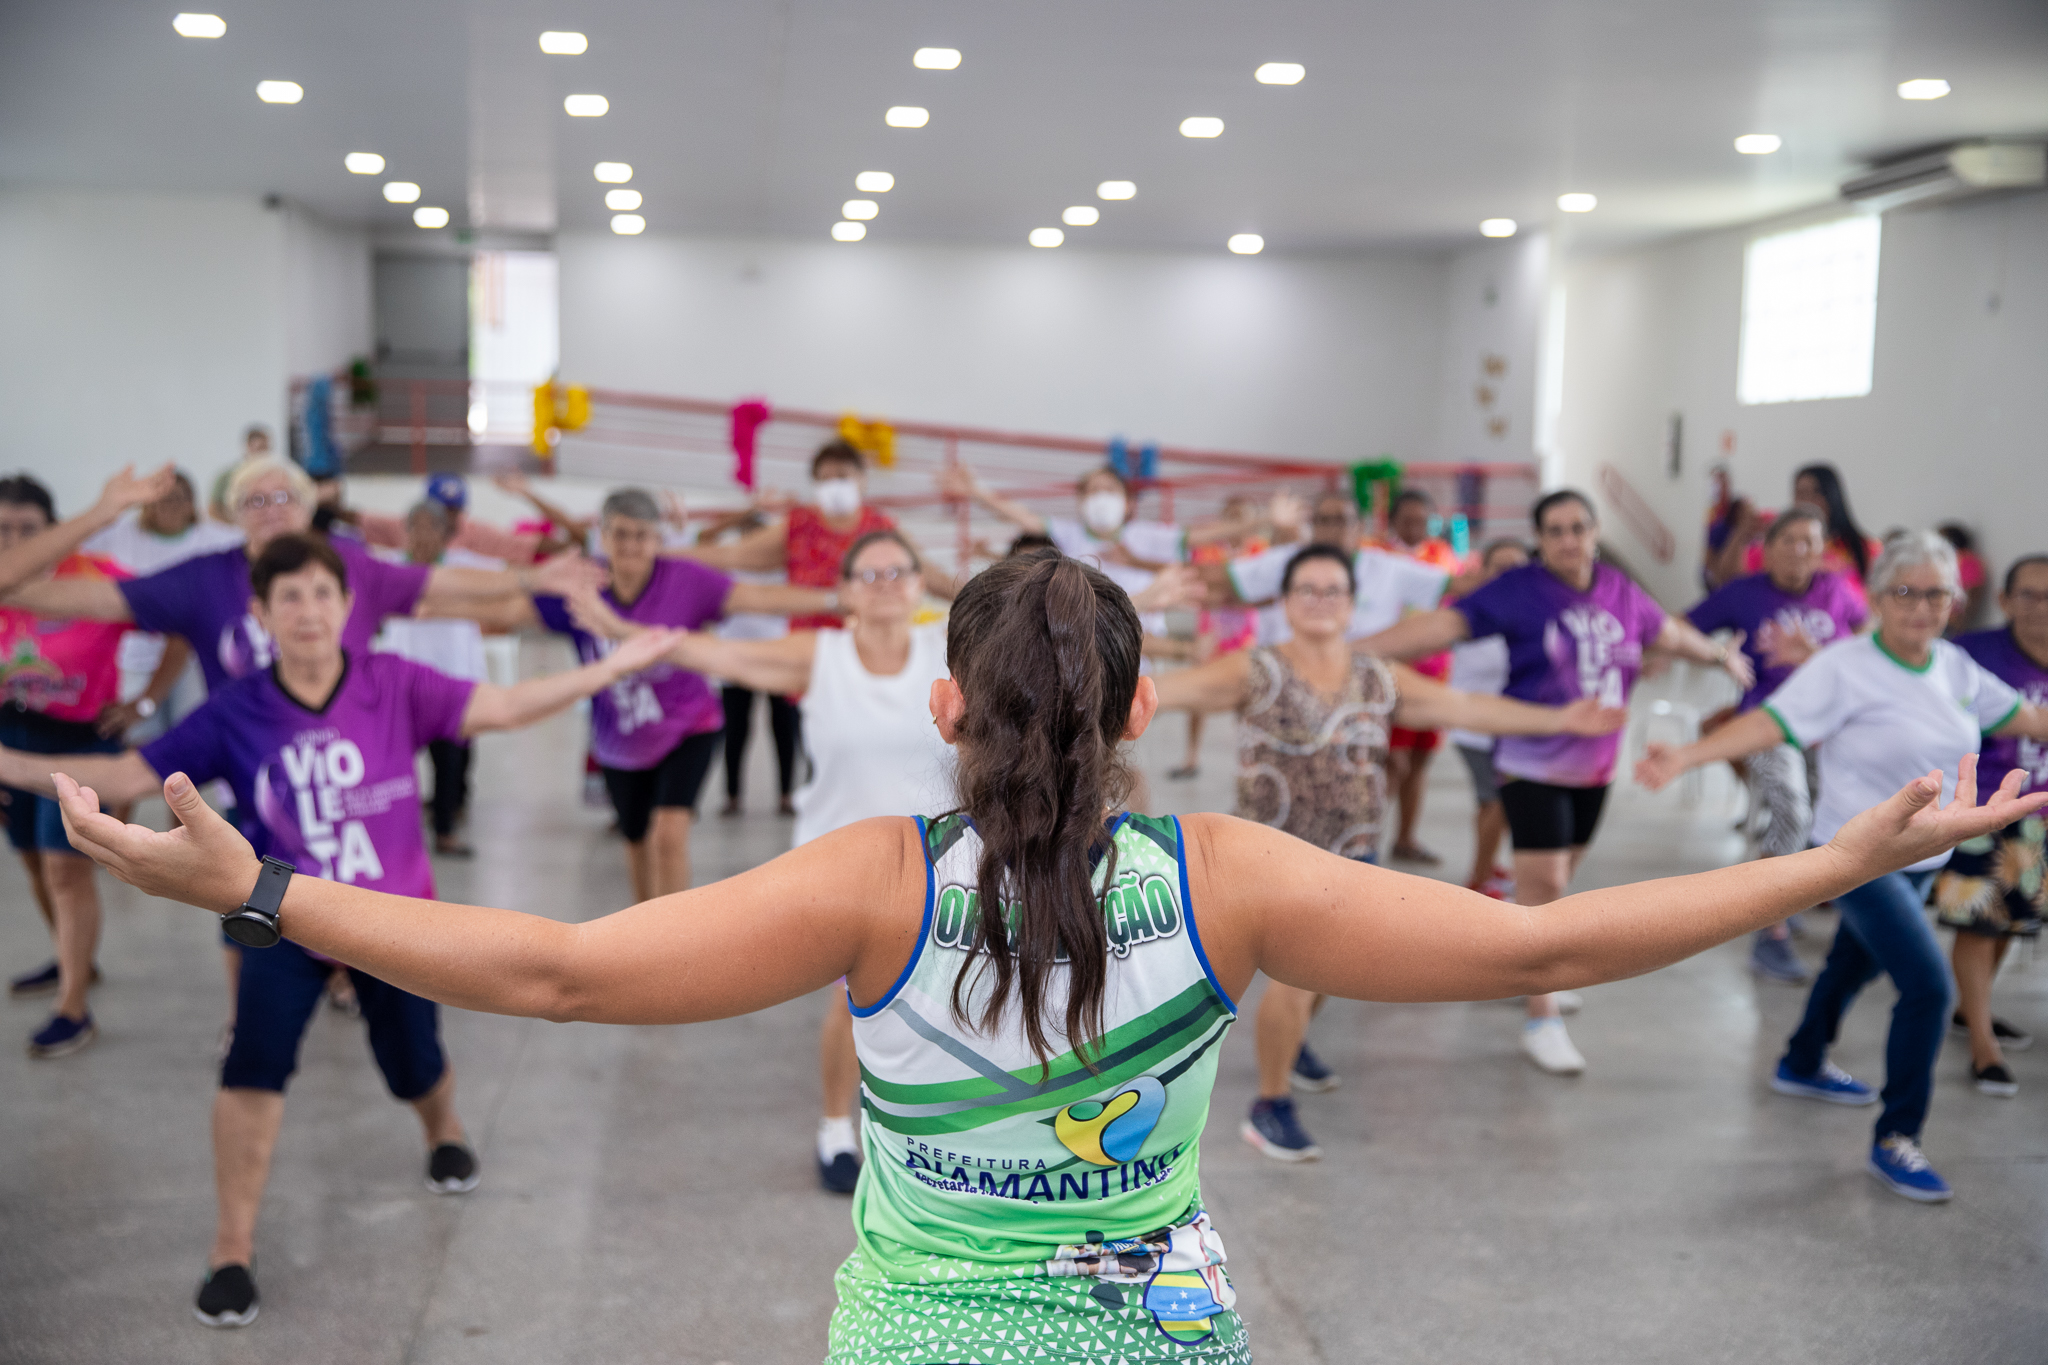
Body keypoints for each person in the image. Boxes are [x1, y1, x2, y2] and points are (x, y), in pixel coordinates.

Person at [54, 547, 2042, 1360]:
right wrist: (1835, 857)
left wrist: (255, 889)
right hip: (1159, 1327)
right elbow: (1568, 941)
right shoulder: (1228, 880)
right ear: (1146, 707)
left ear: (942, 708)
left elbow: (555, 970)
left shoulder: (870, 885)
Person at [0, 532, 682, 1326]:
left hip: (396, 924)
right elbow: (129, 773)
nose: (308, 609)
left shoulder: (393, 681)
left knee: (415, 1063)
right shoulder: (237, 708)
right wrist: (11, 763)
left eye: (323, 592)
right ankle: (231, 1247)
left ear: (349, 606)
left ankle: (444, 1129)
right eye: (287, 595)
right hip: (282, 921)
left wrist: (609, 668)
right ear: (260, 614)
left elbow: (502, 706)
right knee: (250, 1072)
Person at [1151, 543, 1624, 1159]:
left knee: (1322, 979)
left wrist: (1561, 720)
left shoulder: (1376, 676)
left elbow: (1465, 706)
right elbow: (1165, 692)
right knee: (1295, 981)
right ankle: (1269, 1107)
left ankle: (1294, 1045)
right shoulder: (1255, 669)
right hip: (1274, 862)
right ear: (1285, 602)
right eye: (1306, 589)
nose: (1320, 600)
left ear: (1352, 605)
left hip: (1353, 853)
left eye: (1333, 590)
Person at [1637, 532, 2048, 1200]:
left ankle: (1801, 1060)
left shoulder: (1954, 667)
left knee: (1853, 962)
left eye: (1937, 593)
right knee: (1927, 986)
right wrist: (1686, 755)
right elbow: (1770, 722)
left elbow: (2026, 716)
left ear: (1954, 600)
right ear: (1879, 597)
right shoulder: (1845, 666)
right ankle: (1897, 1136)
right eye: (1906, 592)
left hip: (1922, 856)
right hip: (1854, 855)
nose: (1922, 606)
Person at [1359, 490, 1754, 1074]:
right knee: (1543, 885)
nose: (1568, 539)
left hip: (1597, 765)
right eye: (1555, 530)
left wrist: (1719, 657)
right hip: (1531, 759)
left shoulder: (1620, 590)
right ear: (1540, 540)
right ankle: (1540, 1017)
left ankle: (1523, 967)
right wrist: (1353, 652)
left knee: (1559, 879)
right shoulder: (1519, 590)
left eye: (1578, 527)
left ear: (1594, 532)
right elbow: (1444, 626)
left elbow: (1667, 635)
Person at [625, 530, 952, 1193]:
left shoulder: (948, 652)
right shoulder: (821, 655)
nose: (886, 584)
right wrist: (617, 628)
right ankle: (837, 1127)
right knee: (856, 1003)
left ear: (921, 582)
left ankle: (933, 1129)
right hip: (845, 866)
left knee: (943, 1001)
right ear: (846, 591)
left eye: (898, 570)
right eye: (869, 574)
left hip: (938, 856)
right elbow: (721, 653)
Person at [507, 488, 838, 901]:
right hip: (620, 738)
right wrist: (435, 597)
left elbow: (759, 597)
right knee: (636, 838)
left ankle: (673, 930)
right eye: (621, 534)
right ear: (603, 536)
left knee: (668, 833)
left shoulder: (686, 579)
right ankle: (645, 921)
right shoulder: (584, 584)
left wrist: (837, 599)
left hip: (689, 725)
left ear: (658, 539)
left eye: (641, 535)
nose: (630, 546)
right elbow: (507, 611)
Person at [1685, 506, 1869, 983]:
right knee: (1792, 810)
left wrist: (1816, 656)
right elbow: (1680, 628)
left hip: (1829, 727)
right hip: (1768, 722)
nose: (1799, 551)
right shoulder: (1744, 592)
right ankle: (1769, 932)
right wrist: (1721, 654)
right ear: (1766, 550)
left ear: (1822, 550)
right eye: (1788, 540)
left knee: (1837, 816)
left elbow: (1867, 650)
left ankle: (1791, 897)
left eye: (1810, 541)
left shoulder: (1837, 590)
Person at [0, 476, 139, 1054]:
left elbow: (180, 621)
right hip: (9, 735)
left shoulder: (96, 577)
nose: (14, 541)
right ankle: (72, 958)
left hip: (80, 738)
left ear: (54, 530)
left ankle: (73, 1007)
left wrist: (145, 701)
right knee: (34, 862)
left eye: (28, 529)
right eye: (3, 530)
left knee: (66, 870)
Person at [1933, 553, 2048, 1095]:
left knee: (2008, 924)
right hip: (1981, 809)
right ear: (2004, 601)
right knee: (1978, 925)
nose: (2041, 607)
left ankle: (1969, 1012)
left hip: (2039, 816)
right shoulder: (1971, 654)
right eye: (2029, 595)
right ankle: (1983, 1044)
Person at [679, 440, 956, 618]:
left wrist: (973, 600)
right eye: (825, 479)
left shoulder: (882, 529)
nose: (834, 485)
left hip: (868, 646)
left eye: (843, 477)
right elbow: (732, 555)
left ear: (862, 480)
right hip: (808, 648)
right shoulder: (798, 525)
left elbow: (931, 577)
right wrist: (667, 554)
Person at [82, 469, 243, 743]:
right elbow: (75, 551)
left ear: (192, 504)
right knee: (137, 734)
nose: (170, 506)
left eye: (178, 499)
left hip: (193, 657)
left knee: (193, 733)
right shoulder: (121, 534)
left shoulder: (219, 539)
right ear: (147, 504)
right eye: (161, 499)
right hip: (135, 655)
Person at [1374, 489, 1470, 865]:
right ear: (1392, 521)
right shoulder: (1377, 557)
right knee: (1393, 763)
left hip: (1435, 674)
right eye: (1407, 520)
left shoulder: (1444, 557)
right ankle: (1365, 841)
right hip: (1391, 674)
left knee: (1419, 761)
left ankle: (1405, 838)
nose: (1415, 528)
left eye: (1422, 521)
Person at [1447, 539, 1532, 899]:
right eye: (1501, 567)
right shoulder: (1473, 612)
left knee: (1495, 804)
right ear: (1483, 572)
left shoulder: (1527, 609)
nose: (1510, 575)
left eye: (1519, 568)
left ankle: (1486, 867)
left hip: (1506, 728)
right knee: (1497, 804)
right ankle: (1478, 881)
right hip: (1477, 728)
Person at [208, 424, 273, 523]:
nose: (261, 454)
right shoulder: (227, 477)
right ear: (248, 447)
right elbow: (213, 509)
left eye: (265, 448)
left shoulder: (276, 477)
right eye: (258, 448)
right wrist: (235, 526)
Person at [1936, 522, 1988, 635]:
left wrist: (1962, 619)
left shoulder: (1967, 560)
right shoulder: (1941, 560)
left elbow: (1973, 592)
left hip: (1952, 620)